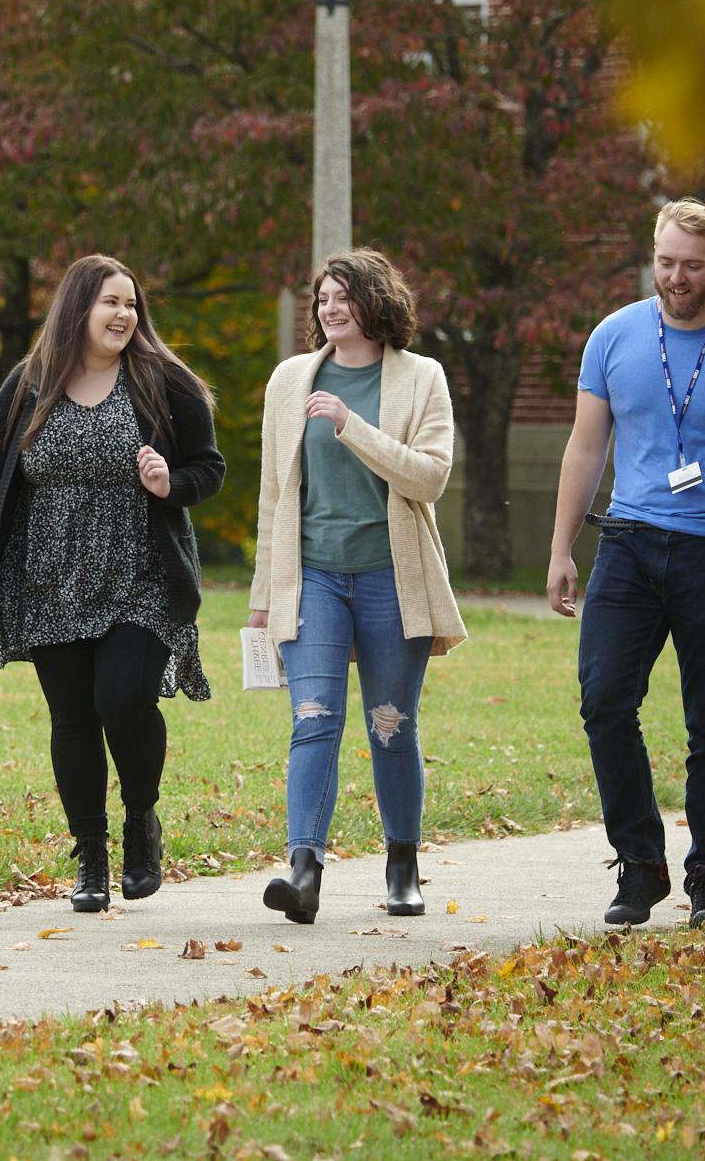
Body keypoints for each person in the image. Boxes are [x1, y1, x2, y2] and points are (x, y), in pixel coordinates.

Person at [545, 199, 705, 929]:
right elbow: (585, 447)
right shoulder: (613, 336)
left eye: (691, 264)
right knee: (603, 700)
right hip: (627, 540)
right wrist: (563, 547)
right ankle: (639, 865)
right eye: (664, 261)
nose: (675, 276)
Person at [0, 254, 225, 915]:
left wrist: (170, 482)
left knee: (122, 696)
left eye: (130, 303)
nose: (124, 314)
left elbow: (208, 467)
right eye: (109, 302)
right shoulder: (28, 383)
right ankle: (90, 856)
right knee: (71, 715)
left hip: (142, 570)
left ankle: (140, 823)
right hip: (48, 575)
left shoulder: (163, 381)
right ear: (78, 308)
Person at [247, 248, 466, 924]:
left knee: (389, 727)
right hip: (310, 576)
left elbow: (429, 477)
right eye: (321, 298)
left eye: (342, 296)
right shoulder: (289, 380)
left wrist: (351, 426)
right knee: (312, 721)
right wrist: (261, 599)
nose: (329, 308)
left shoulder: (421, 378)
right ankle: (302, 871)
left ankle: (402, 865)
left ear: (376, 302)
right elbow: (272, 495)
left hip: (389, 579)